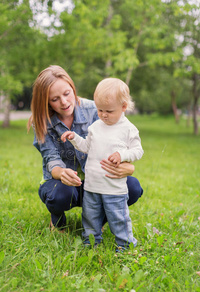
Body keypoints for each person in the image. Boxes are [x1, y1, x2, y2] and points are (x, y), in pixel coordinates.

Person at [27, 65, 143, 235]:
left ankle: (98, 220)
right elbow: (51, 158)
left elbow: (120, 139)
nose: (64, 102)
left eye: (67, 94)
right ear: (46, 101)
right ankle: (57, 222)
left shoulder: (96, 110)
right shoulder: (44, 121)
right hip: (65, 185)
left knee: (133, 187)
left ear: (73, 88)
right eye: (55, 99)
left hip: (96, 180)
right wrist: (62, 173)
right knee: (59, 194)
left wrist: (128, 166)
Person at [61, 77, 144, 250]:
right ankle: (91, 242)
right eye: (100, 110)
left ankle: (125, 244)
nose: (104, 114)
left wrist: (122, 154)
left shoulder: (128, 129)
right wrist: (74, 138)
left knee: (118, 218)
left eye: (109, 111)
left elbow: (138, 151)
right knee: (90, 217)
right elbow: (86, 147)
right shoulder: (95, 127)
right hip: (92, 187)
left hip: (114, 188)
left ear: (123, 107)